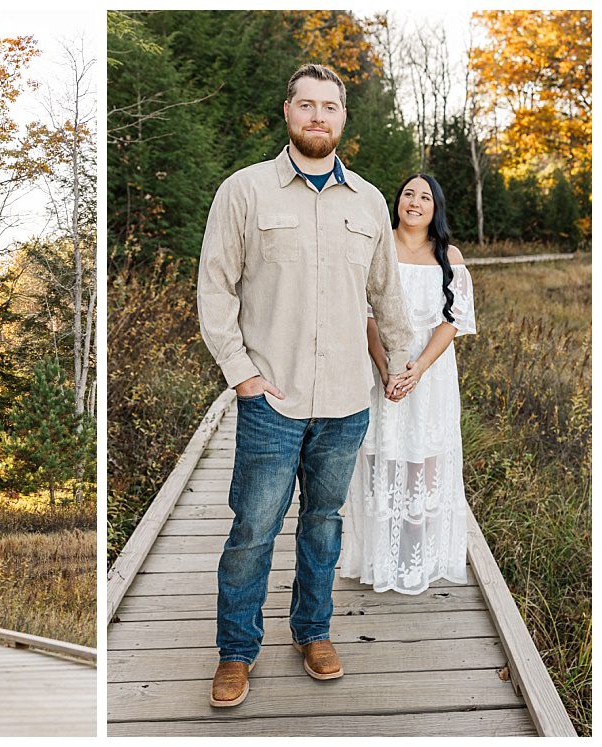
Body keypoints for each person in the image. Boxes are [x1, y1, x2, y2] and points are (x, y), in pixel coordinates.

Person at [197, 63, 415, 707]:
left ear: (344, 118)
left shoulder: (370, 202)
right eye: (307, 105)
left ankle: (312, 632)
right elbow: (215, 289)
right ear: (287, 113)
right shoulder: (245, 192)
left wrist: (399, 361)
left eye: (330, 107)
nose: (318, 117)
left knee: (323, 525)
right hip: (272, 399)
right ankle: (236, 651)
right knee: (253, 531)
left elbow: (387, 294)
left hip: (348, 401)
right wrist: (243, 376)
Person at [341, 173, 476, 594]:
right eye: (407, 195)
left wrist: (417, 368)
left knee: (423, 458)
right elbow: (365, 312)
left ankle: (415, 561)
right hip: (381, 366)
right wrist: (385, 367)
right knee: (381, 457)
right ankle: (378, 558)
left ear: (435, 208)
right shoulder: (379, 247)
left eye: (424, 197)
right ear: (396, 202)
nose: (414, 202)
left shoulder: (448, 255)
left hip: (430, 373)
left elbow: (453, 320)